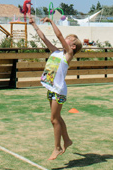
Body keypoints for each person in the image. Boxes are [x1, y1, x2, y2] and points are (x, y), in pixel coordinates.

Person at [29, 16, 82, 160]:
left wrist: (52, 22)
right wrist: (34, 25)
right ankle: (67, 140)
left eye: (69, 39)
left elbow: (58, 35)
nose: (65, 38)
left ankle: (57, 147)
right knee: (56, 118)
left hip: (59, 90)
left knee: (54, 119)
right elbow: (44, 39)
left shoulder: (68, 55)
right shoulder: (57, 52)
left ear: (72, 47)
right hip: (51, 88)